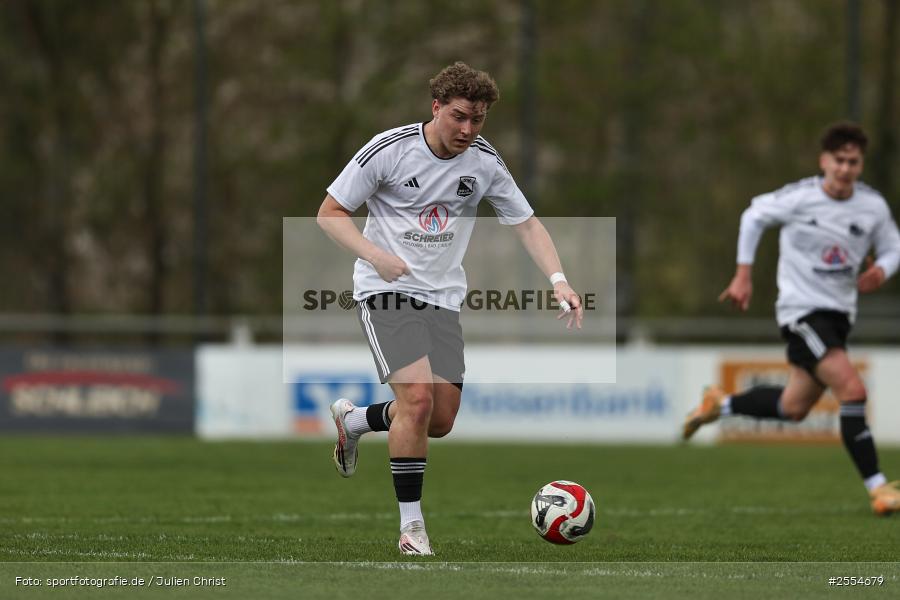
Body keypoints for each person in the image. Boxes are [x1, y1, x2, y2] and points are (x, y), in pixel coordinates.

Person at [316, 62, 583, 555]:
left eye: (478, 120)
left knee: (438, 420)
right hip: (383, 291)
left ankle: (356, 421)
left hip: (443, 298)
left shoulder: (482, 161)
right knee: (417, 402)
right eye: (459, 116)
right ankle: (411, 529)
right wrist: (377, 256)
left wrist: (559, 280)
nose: (467, 130)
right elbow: (329, 214)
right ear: (436, 107)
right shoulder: (388, 150)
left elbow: (526, 223)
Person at [683, 122, 900, 516]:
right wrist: (743, 273)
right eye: (839, 160)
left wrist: (882, 270)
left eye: (854, 162)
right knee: (853, 390)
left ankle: (721, 404)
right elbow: (753, 216)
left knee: (793, 408)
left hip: (839, 318)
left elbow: (892, 247)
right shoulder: (800, 197)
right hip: (801, 312)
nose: (846, 169)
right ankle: (879, 488)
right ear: (824, 161)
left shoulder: (872, 206)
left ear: (861, 164)